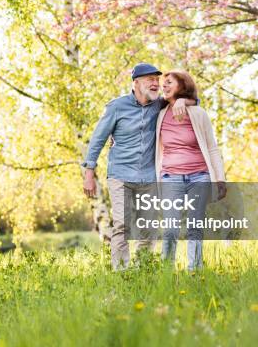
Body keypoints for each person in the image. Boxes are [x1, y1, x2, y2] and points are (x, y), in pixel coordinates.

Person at [82, 63, 198, 271]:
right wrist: (89, 173)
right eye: (150, 80)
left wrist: (181, 100)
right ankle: (122, 274)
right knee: (122, 226)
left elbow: (194, 101)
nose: (156, 84)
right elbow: (97, 140)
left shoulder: (160, 105)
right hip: (120, 175)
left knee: (149, 230)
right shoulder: (116, 106)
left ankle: (142, 271)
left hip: (149, 176)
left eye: (157, 80)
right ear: (136, 83)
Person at [155, 69, 226, 271]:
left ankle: (195, 270)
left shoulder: (198, 114)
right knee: (171, 228)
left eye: (169, 82)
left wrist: (220, 179)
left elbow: (212, 147)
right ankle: (166, 271)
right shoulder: (159, 113)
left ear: (182, 85)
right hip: (170, 177)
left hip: (199, 176)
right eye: (163, 83)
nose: (164, 86)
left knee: (195, 226)